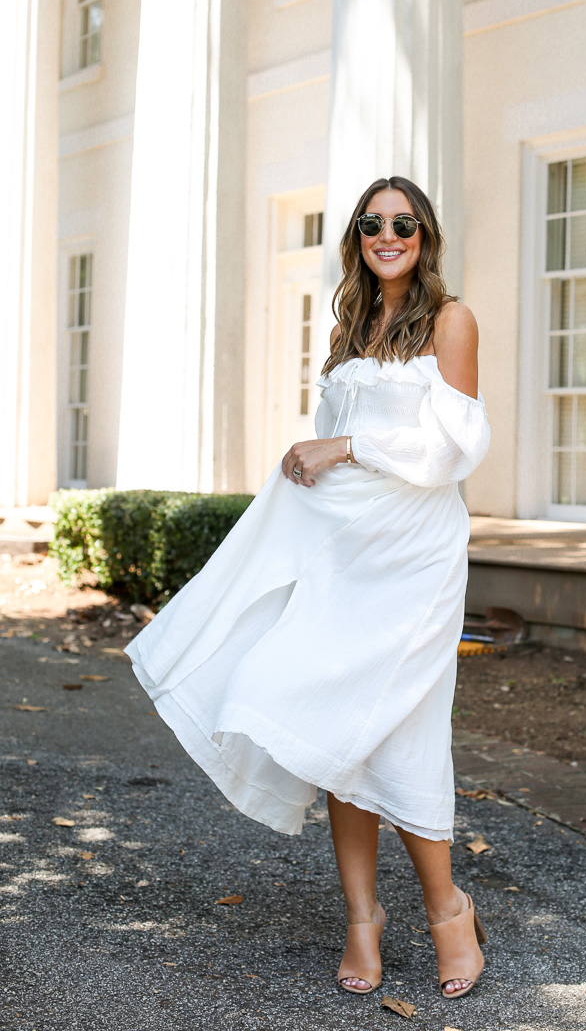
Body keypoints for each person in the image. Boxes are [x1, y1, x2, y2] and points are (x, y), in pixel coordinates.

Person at [124, 175, 492, 1000]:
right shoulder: (352, 323)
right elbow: (332, 449)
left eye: (403, 223)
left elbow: (453, 449)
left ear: (425, 235)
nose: (386, 235)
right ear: (357, 238)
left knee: (400, 730)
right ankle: (363, 920)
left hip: (414, 556)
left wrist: (343, 446)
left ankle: (448, 911)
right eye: (371, 224)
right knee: (328, 724)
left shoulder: (451, 320)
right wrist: (310, 459)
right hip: (344, 552)